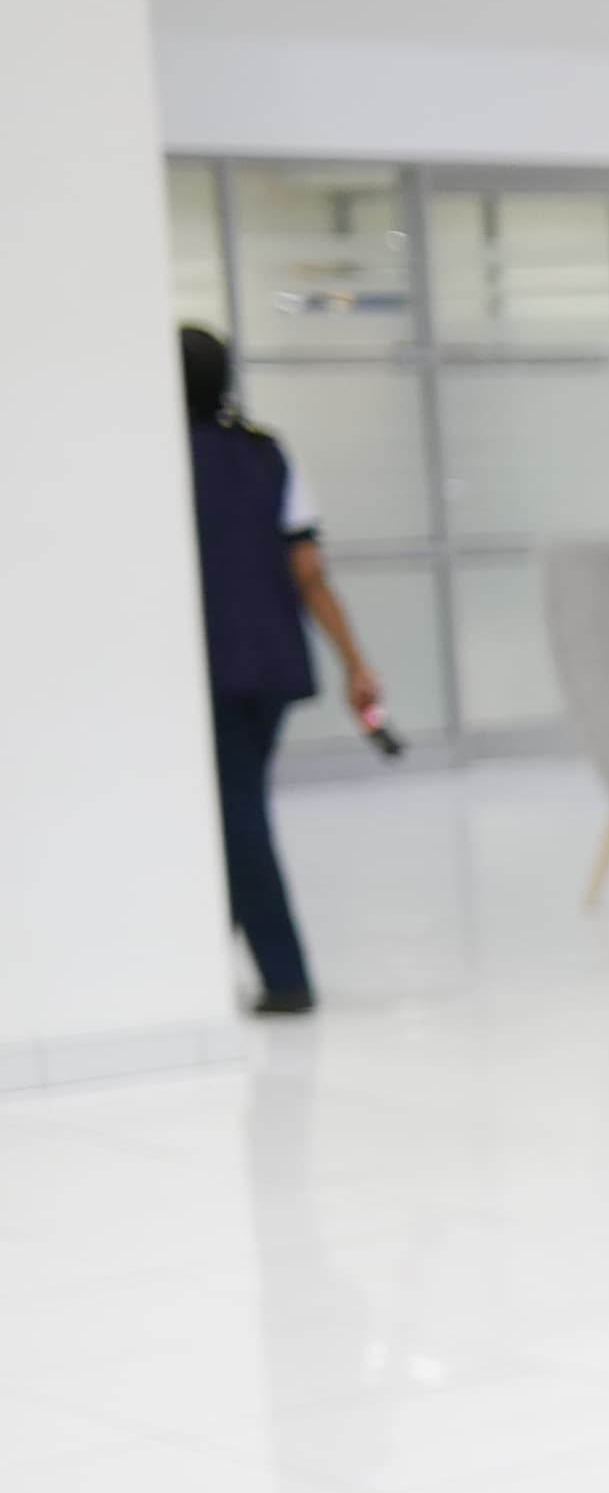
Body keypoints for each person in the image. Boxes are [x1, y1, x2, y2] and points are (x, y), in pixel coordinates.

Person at [180, 327, 383, 1015]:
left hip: (210, 669)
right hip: (270, 664)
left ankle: (285, 977)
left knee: (236, 818)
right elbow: (308, 571)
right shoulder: (266, 451)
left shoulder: (163, 459)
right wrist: (355, 663)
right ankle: (200, 970)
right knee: (230, 814)